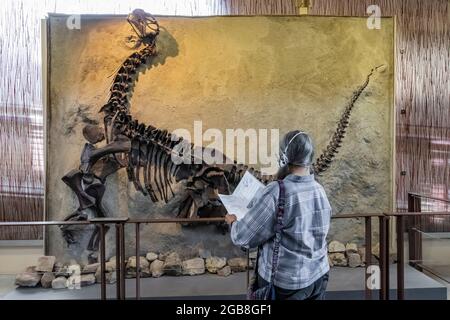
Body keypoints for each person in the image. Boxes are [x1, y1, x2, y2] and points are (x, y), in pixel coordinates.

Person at [224, 130, 332, 300]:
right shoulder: (320, 190)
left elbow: (243, 237)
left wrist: (233, 223)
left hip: (287, 284)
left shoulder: (277, 192)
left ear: (283, 156)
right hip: (318, 276)